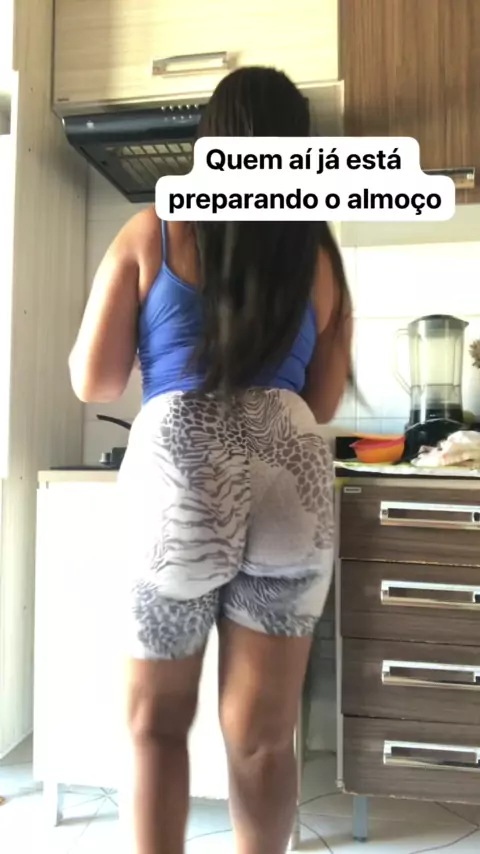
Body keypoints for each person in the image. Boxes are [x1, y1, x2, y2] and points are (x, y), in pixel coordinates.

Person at [69, 66, 353, 854]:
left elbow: (93, 380)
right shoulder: (318, 250)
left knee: (155, 727)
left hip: (179, 470)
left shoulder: (156, 229)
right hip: (292, 472)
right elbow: (325, 400)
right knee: (263, 739)